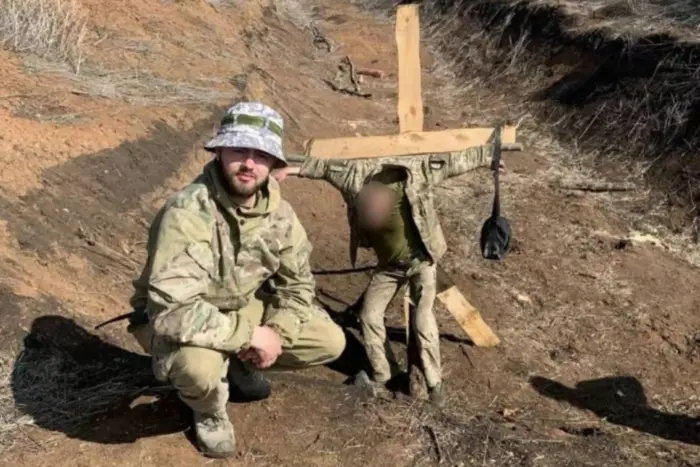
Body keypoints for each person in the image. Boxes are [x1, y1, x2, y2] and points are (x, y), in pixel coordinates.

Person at [126, 102, 346, 459]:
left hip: (241, 305)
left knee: (329, 340)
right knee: (196, 370)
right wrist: (250, 334)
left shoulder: (281, 215)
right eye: (239, 150)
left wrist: (277, 332)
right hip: (181, 316)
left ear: (275, 164)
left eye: (261, 154)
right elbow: (173, 311)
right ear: (219, 151)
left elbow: (298, 287)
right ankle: (209, 410)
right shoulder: (187, 213)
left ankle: (240, 362)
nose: (249, 163)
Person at [275, 147, 505, 405]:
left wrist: (488, 159)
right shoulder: (353, 178)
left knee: (422, 321)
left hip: (421, 262)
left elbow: (453, 163)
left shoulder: (415, 175)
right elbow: (324, 168)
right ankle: (383, 373)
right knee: (369, 315)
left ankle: (435, 383)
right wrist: (291, 170)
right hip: (389, 268)